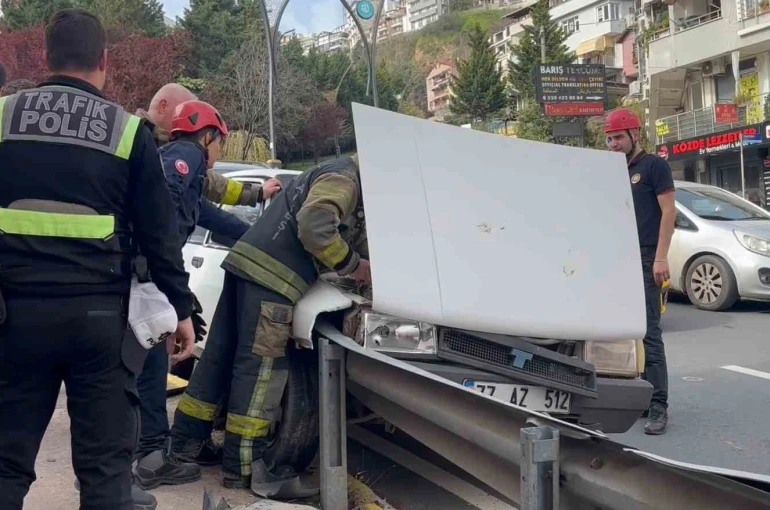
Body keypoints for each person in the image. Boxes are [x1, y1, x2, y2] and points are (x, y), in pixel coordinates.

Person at [0, 9, 196, 510]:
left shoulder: (3, 118)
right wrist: (180, 309)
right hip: (100, 323)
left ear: (47, 57)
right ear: (104, 60)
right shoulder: (129, 133)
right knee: (106, 475)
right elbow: (160, 234)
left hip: (12, 317)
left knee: (3, 465)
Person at [169, 155, 370, 490]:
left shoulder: (334, 173)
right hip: (273, 280)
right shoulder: (346, 179)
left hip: (247, 267)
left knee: (217, 361)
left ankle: (185, 445)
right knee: (261, 370)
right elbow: (315, 224)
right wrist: (352, 265)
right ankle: (244, 466)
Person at [132, 99, 284, 491]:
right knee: (149, 364)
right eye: (219, 143)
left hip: (141, 277)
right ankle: (148, 457)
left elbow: (210, 214)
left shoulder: (184, 165)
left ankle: (145, 452)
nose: (218, 152)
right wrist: (173, 283)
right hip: (145, 278)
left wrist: (256, 233)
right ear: (208, 135)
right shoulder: (186, 154)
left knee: (143, 365)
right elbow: (164, 200)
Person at [605, 108, 675, 435]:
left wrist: (661, 257)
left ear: (634, 135)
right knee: (626, 332)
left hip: (648, 258)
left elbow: (668, 213)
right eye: (609, 138)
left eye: (618, 137)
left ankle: (659, 406)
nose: (613, 143)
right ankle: (639, 397)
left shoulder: (654, 166)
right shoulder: (611, 171)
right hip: (620, 259)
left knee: (650, 333)